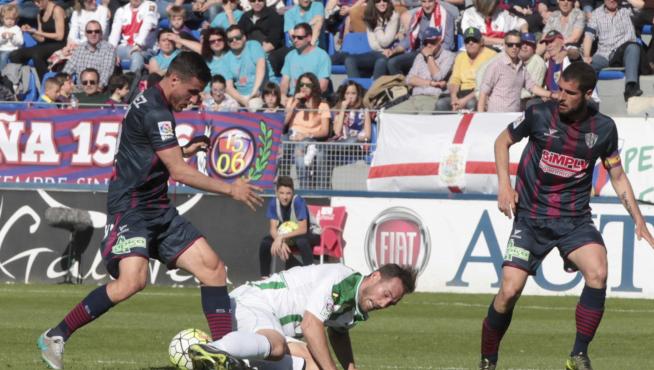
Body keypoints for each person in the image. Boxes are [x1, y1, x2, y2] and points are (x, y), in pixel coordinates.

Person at [37, 52, 264, 370]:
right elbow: (181, 173)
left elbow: (151, 155)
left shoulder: (153, 102)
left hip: (157, 207)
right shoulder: (157, 112)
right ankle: (55, 335)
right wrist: (232, 189)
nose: (194, 99)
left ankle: (226, 354)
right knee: (133, 280)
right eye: (193, 91)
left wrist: (183, 150)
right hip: (131, 208)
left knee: (213, 270)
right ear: (174, 80)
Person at [478, 62, 654, 370]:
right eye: (559, 88)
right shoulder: (538, 114)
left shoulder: (603, 129)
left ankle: (578, 354)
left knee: (598, 272)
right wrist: (504, 186)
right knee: (509, 291)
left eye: (569, 92)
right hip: (530, 219)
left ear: (587, 94)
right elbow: (501, 142)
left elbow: (617, 175)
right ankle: (488, 360)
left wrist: (638, 219)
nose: (560, 96)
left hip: (574, 220)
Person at [189, 263, 417, 370]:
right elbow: (311, 325)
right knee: (277, 346)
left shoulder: (354, 304)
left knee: (312, 365)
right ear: (375, 276)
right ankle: (214, 351)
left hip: (267, 329)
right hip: (254, 303)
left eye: (392, 303)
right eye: (386, 294)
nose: (385, 304)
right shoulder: (343, 278)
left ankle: (232, 361)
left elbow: (338, 333)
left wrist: (350, 367)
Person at [258, 176, 320, 278]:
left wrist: (282, 237)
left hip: (309, 233)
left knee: (301, 241)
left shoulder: (298, 201)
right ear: (277, 192)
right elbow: (273, 229)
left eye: (288, 193)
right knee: (265, 242)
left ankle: (310, 275)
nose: (285, 197)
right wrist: (279, 240)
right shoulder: (274, 203)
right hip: (289, 237)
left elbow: (303, 229)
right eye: (281, 193)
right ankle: (264, 277)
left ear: (293, 192)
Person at [477, 31, 553, 112]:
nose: (514, 47)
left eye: (517, 45)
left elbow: (532, 87)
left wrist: (551, 94)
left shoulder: (521, 67)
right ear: (505, 46)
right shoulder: (496, 65)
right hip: (496, 115)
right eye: (510, 45)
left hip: (514, 116)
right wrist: (481, 116)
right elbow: (483, 93)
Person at [583, 0, 642, 101]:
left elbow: (641, 5)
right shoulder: (596, 14)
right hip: (604, 54)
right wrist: (586, 55)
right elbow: (589, 35)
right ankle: (585, 95)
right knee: (587, 65)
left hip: (624, 52)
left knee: (633, 47)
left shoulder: (627, 10)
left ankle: (631, 87)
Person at [281, 72, 330, 188]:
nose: (304, 87)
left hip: (309, 138)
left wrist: (306, 135)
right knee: (284, 151)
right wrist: (294, 104)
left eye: (308, 85)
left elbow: (325, 131)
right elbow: (283, 124)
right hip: (291, 136)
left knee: (300, 156)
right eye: (301, 85)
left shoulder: (322, 106)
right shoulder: (292, 101)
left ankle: (306, 190)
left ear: (314, 87)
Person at [390, 26, 455, 113]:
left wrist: (429, 56)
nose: (428, 45)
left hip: (433, 98)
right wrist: (431, 83)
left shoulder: (448, 56)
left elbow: (437, 76)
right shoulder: (420, 56)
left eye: (432, 41)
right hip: (414, 98)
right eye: (425, 42)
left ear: (439, 40)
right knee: (390, 114)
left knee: (421, 120)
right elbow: (409, 79)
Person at [435, 27, 496, 111]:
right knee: (441, 104)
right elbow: (455, 79)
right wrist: (454, 97)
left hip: (480, 94)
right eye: (467, 41)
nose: (470, 43)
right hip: (461, 93)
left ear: (481, 42)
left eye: (474, 40)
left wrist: (464, 100)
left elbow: (486, 85)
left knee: (471, 103)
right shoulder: (460, 57)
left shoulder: (491, 56)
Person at [387, 0, 454, 75]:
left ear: (435, 1)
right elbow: (409, 38)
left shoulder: (446, 15)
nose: (427, 5)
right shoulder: (417, 15)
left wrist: (431, 53)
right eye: (424, 1)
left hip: (438, 54)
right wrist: (394, 50)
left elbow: (448, 45)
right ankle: (400, 85)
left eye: (430, 1)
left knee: (393, 63)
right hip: (420, 53)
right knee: (391, 62)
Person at [9, 0, 68, 79]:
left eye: (38, 2)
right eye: (34, 2)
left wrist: (37, 32)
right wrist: (31, 31)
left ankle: (46, 83)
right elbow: (41, 39)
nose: (36, 4)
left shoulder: (57, 10)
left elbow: (60, 36)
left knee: (37, 55)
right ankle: (25, 82)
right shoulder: (40, 13)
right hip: (44, 45)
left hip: (59, 44)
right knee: (15, 55)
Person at [342, 0, 401, 79]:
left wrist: (377, 25)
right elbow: (373, 44)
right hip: (377, 52)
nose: (382, 3)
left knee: (381, 61)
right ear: (373, 3)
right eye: (378, 1)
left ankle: (375, 89)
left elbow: (385, 42)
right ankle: (357, 86)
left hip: (391, 53)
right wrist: (382, 49)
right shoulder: (370, 16)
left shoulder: (394, 16)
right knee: (349, 60)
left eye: (385, 1)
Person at [219, 25, 268, 110]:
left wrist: (254, 91)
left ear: (244, 38)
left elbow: (261, 67)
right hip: (240, 96)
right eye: (230, 40)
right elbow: (228, 87)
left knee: (253, 105)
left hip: (261, 92)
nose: (234, 41)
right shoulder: (225, 59)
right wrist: (243, 100)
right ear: (227, 43)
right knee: (224, 106)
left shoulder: (253, 45)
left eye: (237, 37)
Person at [280, 23, 331, 98]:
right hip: (293, 97)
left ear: (309, 38)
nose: (295, 40)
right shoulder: (290, 56)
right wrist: (283, 96)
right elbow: (284, 82)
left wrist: (304, 97)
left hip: (313, 99)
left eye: (300, 37)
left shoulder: (322, 56)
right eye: (293, 37)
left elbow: (322, 86)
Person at [62, 20, 116, 90]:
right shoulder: (80, 48)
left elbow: (106, 72)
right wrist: (63, 83)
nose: (93, 34)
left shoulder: (109, 48)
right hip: (79, 89)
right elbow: (68, 70)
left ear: (101, 33)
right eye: (89, 32)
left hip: (98, 91)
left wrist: (97, 88)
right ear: (85, 33)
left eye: (96, 31)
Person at [108, 0, 159, 73]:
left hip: (145, 49)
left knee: (136, 56)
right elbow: (114, 34)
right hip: (125, 47)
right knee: (108, 56)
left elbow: (148, 23)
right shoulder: (121, 11)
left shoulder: (151, 5)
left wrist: (138, 44)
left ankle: (132, 82)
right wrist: (111, 52)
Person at [460, 0, 527, 50]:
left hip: (499, 54)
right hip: (476, 53)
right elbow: (474, 38)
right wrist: (505, 41)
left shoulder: (502, 14)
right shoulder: (469, 14)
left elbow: (522, 22)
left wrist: (525, 35)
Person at [0, 4, 22, 72]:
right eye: (7, 19)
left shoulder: (16, 29)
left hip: (12, 49)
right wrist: (3, 38)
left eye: (12, 19)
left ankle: (2, 74)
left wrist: (12, 37)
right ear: (2, 19)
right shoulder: (1, 29)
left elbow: (20, 42)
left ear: (15, 19)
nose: (9, 21)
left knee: (3, 56)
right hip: (2, 49)